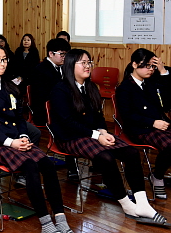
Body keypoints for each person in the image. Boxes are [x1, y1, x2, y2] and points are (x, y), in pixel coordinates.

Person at [49, 49, 167, 226]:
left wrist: (103, 131)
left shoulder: (90, 87)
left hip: (92, 133)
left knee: (131, 153)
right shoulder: (60, 89)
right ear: (70, 65)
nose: (88, 66)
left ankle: (142, 204)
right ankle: (127, 205)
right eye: (84, 63)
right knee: (106, 157)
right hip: (69, 137)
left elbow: (97, 116)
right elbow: (67, 123)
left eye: (90, 62)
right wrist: (97, 135)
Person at [0, 44, 73, 233]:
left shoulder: (10, 86)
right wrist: (10, 142)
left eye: (5, 59)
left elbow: (19, 118)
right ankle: (45, 222)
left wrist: (23, 136)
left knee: (47, 165)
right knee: (30, 166)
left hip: (16, 138)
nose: (2, 63)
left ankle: (59, 215)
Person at [116, 48, 171, 199]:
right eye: (146, 66)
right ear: (134, 64)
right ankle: (157, 176)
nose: (150, 70)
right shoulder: (125, 88)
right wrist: (153, 122)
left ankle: (160, 172)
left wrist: (162, 70)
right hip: (140, 128)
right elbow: (128, 116)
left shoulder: (150, 82)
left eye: (152, 66)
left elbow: (166, 99)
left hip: (158, 124)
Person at [30, 38, 71, 126]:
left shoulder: (62, 67)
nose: (64, 58)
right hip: (45, 111)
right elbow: (42, 97)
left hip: (58, 106)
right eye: (62, 54)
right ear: (51, 54)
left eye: (66, 54)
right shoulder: (40, 70)